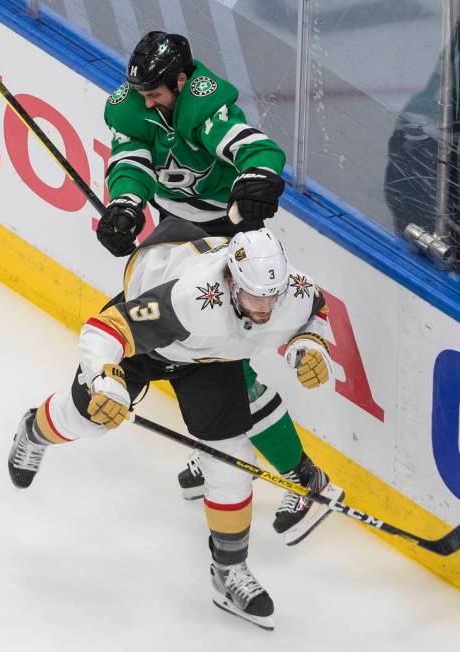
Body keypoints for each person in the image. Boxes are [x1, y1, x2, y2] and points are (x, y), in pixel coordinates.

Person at [8, 220, 343, 630]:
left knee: (232, 460)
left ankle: (228, 571)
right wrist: (106, 379)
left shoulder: (294, 289)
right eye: (255, 296)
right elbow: (107, 327)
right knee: (87, 419)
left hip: (210, 360)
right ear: (231, 282)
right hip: (149, 345)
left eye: (272, 296)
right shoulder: (190, 298)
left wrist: (308, 343)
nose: (265, 309)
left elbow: (315, 312)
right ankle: (33, 431)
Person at [96, 31, 341, 544]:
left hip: (224, 236)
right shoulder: (133, 105)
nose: (145, 100)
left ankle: (308, 479)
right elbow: (132, 160)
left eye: (155, 93)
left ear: (180, 80)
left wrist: (257, 178)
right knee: (211, 357)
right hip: (176, 229)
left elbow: (254, 147)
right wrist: (125, 205)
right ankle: (221, 448)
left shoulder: (205, 103)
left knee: (226, 361)